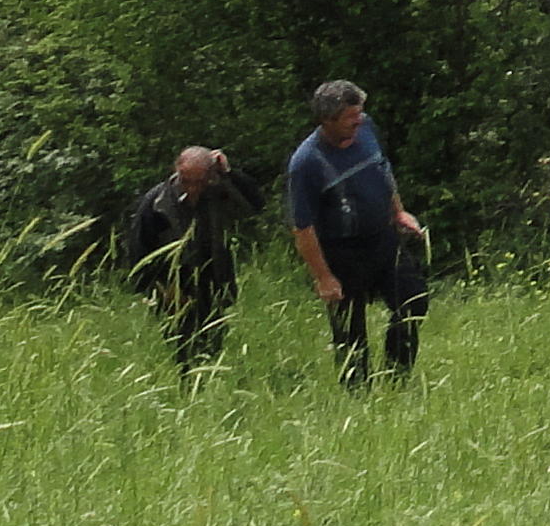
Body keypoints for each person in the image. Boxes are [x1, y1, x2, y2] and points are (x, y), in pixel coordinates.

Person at [285, 78, 429, 386]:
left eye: (359, 113)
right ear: (327, 120)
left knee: (413, 301)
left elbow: (383, 170)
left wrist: (398, 212)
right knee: (350, 333)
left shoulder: (366, 129)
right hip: (341, 251)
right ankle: (358, 394)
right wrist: (323, 277)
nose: (358, 121)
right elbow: (303, 228)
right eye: (350, 117)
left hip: (383, 239)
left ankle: (397, 380)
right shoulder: (306, 163)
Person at [123, 143, 258, 371]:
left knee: (213, 347)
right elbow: (138, 252)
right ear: (176, 171)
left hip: (213, 282)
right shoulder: (157, 202)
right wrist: (161, 289)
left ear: (210, 176)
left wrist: (229, 173)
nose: (192, 188)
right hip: (174, 290)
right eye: (186, 181)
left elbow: (255, 204)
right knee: (182, 352)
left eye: (199, 182)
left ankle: (209, 384)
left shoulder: (217, 193)